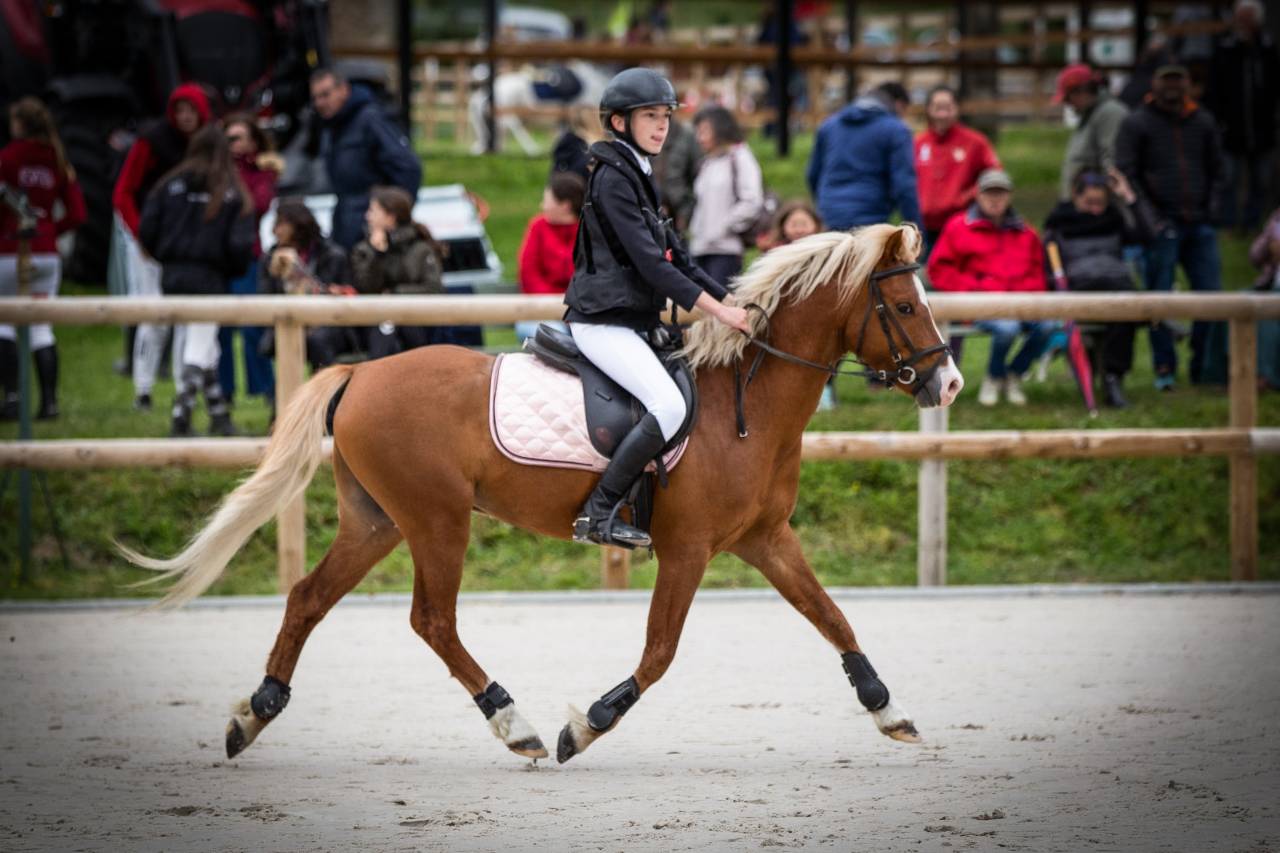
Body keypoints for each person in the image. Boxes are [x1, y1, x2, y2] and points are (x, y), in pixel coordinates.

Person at [563, 67, 750, 547]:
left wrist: (733, 299)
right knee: (668, 406)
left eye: (665, 116)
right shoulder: (612, 180)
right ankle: (598, 513)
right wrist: (719, 313)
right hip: (602, 323)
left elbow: (678, 258)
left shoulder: (638, 174)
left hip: (629, 321)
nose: (662, 126)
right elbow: (652, 268)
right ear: (620, 122)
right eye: (650, 116)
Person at [138, 125, 256, 437]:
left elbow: (147, 228)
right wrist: (230, 268)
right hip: (210, 277)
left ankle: (219, 415)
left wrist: (165, 256)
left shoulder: (169, 184)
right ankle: (181, 415)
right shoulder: (231, 190)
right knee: (200, 344)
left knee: (208, 348)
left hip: (173, 275)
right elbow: (241, 244)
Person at [1116, 63, 1227, 389]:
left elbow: (1219, 171)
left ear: (1188, 83)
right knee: (1158, 302)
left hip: (1200, 224)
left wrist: (1212, 210)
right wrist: (1152, 223)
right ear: (1155, 82)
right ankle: (1165, 368)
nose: (1173, 86)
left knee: (1213, 299)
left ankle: (1205, 368)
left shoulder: (1203, 120)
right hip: (1160, 225)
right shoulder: (1137, 122)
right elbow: (1128, 175)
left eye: (1179, 80)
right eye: (1167, 80)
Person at [112, 83, 212, 410]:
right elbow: (124, 192)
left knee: (188, 316)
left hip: (189, 247)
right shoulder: (151, 141)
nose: (185, 118)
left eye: (191, 111)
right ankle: (143, 386)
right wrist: (142, 236)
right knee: (153, 314)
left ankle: (185, 387)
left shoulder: (207, 145)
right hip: (149, 242)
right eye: (179, 111)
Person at [927, 169, 1049, 407]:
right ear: (978, 196)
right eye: (989, 193)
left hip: (1021, 303)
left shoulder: (1026, 232)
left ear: (1009, 197)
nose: (995, 199)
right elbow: (939, 269)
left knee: (1048, 327)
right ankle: (994, 377)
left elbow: (1038, 274)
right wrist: (975, 291)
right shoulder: (958, 227)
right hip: (977, 304)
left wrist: (1019, 297)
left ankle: (1013, 374)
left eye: (1000, 194)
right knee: (1007, 329)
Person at [0, 97, 86, 420]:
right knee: (41, 326)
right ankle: (49, 403)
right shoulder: (58, 160)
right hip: (46, 253)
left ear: (19, 124)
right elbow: (78, 213)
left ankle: (11, 399)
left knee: (4, 324)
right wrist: (50, 230)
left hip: (9, 251)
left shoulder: (8, 158)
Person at [1043, 168, 1157, 408]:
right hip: (1080, 291)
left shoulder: (1113, 219)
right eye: (1090, 202)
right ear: (1075, 196)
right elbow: (1048, 268)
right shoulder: (1058, 224)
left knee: (1123, 310)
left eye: (1101, 203)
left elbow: (1150, 236)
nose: (1096, 209)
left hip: (1117, 288)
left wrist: (1129, 197)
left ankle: (1113, 377)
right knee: (1123, 309)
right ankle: (1111, 377)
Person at [310, 68, 422, 250]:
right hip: (345, 222)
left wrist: (393, 219)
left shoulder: (370, 119)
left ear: (343, 90)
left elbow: (408, 169)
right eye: (315, 98)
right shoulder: (332, 126)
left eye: (325, 95)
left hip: (371, 228)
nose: (320, 103)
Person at [217, 113, 282, 408]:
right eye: (227, 138)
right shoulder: (214, 170)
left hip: (248, 258)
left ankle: (267, 390)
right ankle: (223, 394)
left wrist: (237, 172)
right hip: (217, 260)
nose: (232, 144)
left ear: (253, 141)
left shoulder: (262, 171)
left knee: (252, 327)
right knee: (221, 330)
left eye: (238, 137)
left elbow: (257, 204)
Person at [1205, 0, 1279, 231]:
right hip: (1231, 129)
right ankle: (1227, 223)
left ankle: (1253, 224)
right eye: (1241, 17)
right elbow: (1214, 87)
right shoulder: (1225, 47)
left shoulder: (1267, 48)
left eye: (1249, 18)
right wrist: (1219, 119)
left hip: (1263, 129)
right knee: (1228, 179)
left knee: (1261, 181)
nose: (1244, 23)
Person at [807, 81, 921, 232]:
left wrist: (825, 205)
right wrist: (916, 230)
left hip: (830, 214)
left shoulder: (829, 125)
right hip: (871, 216)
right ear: (899, 104)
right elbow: (904, 185)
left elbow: (813, 174)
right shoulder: (896, 129)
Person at [258, 198, 358, 370]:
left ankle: (325, 393)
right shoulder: (271, 258)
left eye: (281, 224)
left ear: (298, 224)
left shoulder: (333, 255)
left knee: (317, 339)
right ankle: (280, 394)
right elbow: (265, 298)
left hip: (329, 323)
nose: (275, 231)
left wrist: (297, 272)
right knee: (283, 336)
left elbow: (346, 293)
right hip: (289, 319)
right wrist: (279, 275)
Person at [350, 186, 445, 359]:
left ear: (390, 217)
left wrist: (394, 293)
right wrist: (378, 255)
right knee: (388, 326)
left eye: (373, 211)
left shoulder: (421, 248)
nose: (367, 216)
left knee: (398, 324)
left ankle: (379, 377)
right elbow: (366, 289)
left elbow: (433, 288)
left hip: (416, 320)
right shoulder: (364, 250)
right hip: (373, 321)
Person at [914, 85, 1000, 250]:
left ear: (957, 109)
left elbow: (994, 175)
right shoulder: (918, 143)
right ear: (928, 110)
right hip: (924, 228)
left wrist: (968, 197)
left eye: (948, 108)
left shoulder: (975, 142)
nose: (943, 114)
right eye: (938, 108)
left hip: (962, 224)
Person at [689, 105, 764, 287]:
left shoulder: (740, 157)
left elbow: (752, 200)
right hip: (699, 248)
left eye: (705, 131)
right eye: (698, 132)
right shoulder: (706, 163)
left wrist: (723, 226)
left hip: (726, 249)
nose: (700, 138)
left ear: (720, 128)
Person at [515, 171, 585, 342]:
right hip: (540, 310)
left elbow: (589, 276)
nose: (542, 205)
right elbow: (529, 274)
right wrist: (556, 307)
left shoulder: (587, 230)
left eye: (547, 200)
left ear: (565, 206)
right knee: (552, 334)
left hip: (580, 313)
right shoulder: (538, 227)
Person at [1054, 63, 1129, 201]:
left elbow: (1112, 164)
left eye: (1068, 98)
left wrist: (1100, 205)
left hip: (1098, 208)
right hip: (1082, 207)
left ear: (1082, 91)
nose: (1068, 105)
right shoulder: (1089, 114)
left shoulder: (1110, 113)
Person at [651, 116, 701, 234]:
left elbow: (697, 174)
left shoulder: (687, 134)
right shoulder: (647, 133)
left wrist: (685, 213)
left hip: (680, 210)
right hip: (653, 208)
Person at [1249, 206, 1280, 389]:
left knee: (1264, 316)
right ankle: (1216, 373)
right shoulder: (1277, 216)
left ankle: (1265, 375)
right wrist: (1269, 243)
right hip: (1271, 287)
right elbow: (1254, 257)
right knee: (1235, 304)